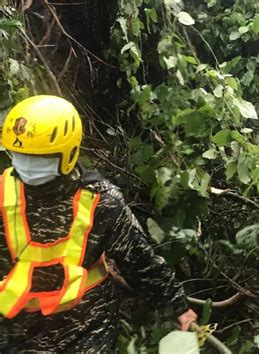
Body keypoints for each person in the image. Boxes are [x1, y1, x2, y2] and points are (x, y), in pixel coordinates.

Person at [0, 95, 197, 351]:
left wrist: (177, 306)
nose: (26, 165)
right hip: (15, 333)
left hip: (86, 331)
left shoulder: (102, 202)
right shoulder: (3, 193)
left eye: (40, 157)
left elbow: (139, 262)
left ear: (69, 153)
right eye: (19, 154)